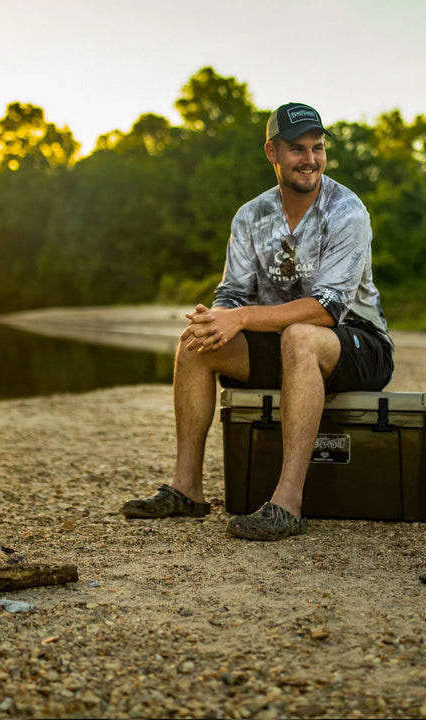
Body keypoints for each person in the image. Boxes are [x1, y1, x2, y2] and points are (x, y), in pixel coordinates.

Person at [121, 102, 394, 540]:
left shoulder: (347, 210)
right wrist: (217, 318)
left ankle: (287, 502)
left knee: (302, 336)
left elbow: (327, 310)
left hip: (358, 344)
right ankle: (186, 490)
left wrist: (243, 316)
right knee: (195, 341)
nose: (310, 159)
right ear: (272, 152)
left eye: (317, 148)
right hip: (283, 343)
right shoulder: (251, 216)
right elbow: (232, 294)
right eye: (297, 149)